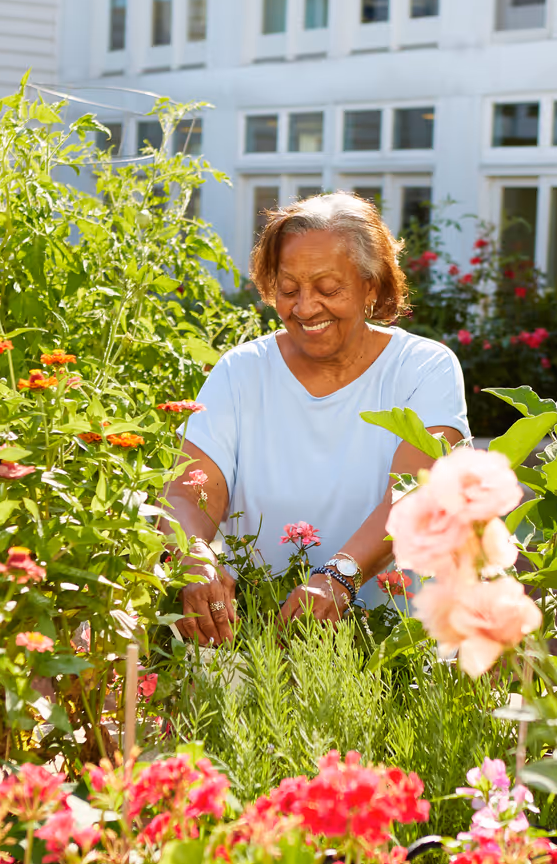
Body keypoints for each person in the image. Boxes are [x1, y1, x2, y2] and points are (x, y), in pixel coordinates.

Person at [165, 192, 469, 644]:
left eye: (328, 289)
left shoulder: (423, 367)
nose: (305, 307)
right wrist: (195, 557)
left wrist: (341, 575)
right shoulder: (242, 370)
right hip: (256, 639)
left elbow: (418, 493)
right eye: (289, 290)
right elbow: (190, 494)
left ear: (372, 285)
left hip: (392, 645)